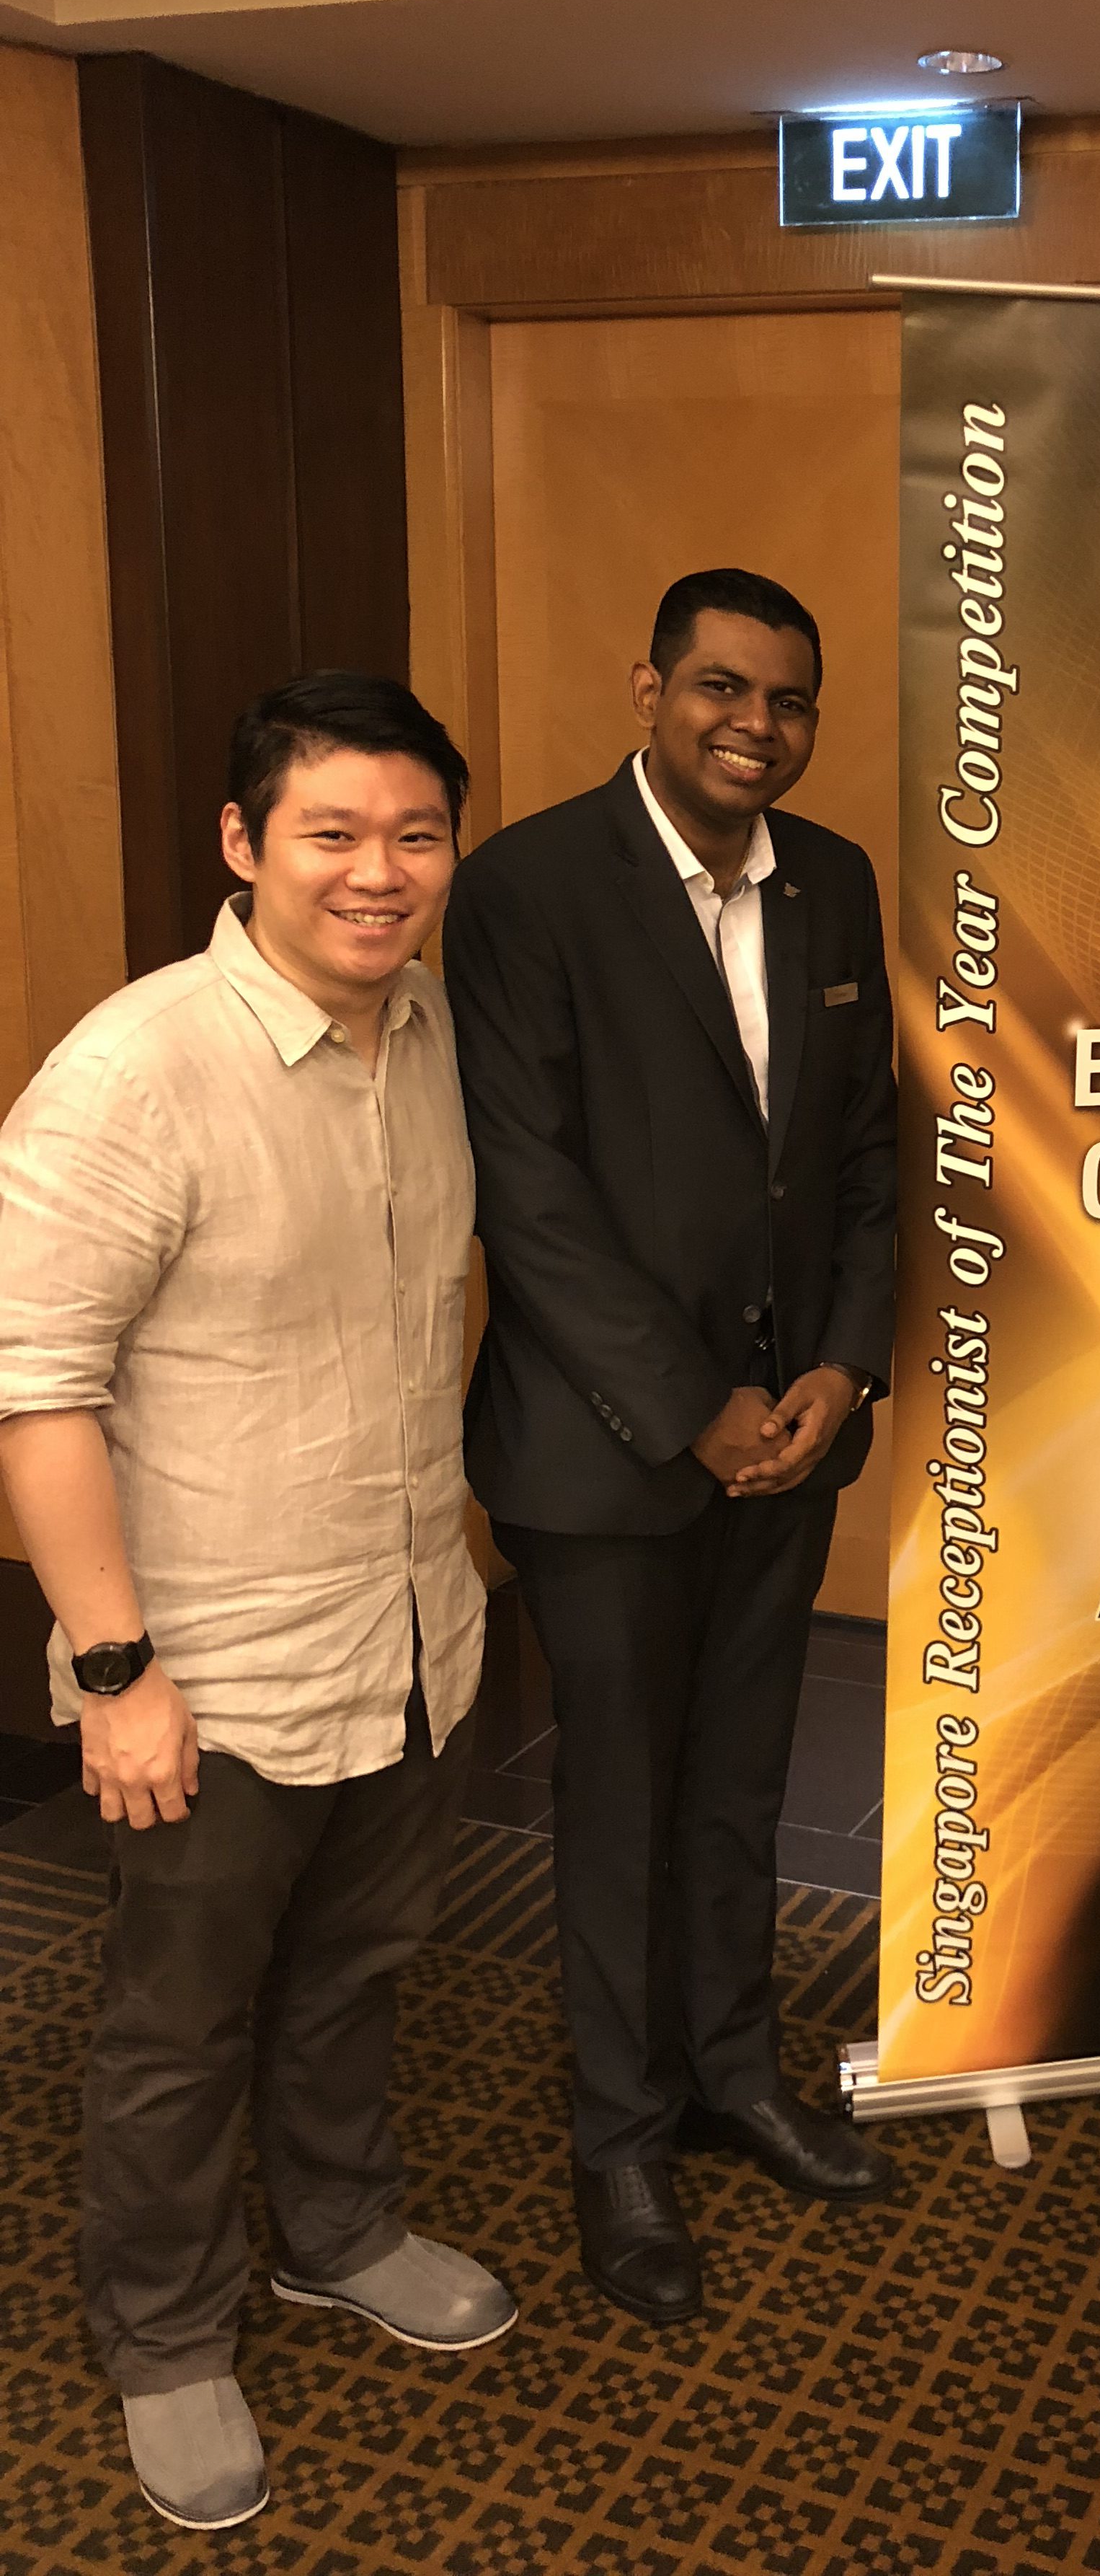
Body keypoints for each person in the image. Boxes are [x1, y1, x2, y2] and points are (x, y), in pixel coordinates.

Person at [0, 674, 513, 2532]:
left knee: (359, 1969)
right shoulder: (136, 1070)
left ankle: (340, 2230)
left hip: (407, 1631)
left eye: (417, 835)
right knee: (179, 2022)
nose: (380, 873)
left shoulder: (429, 1028)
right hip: (208, 1669)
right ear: (242, 843)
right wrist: (117, 1668)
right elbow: (36, 1391)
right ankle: (162, 2334)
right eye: (332, 833)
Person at [442, 565, 897, 2327]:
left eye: (787, 700)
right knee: (622, 1802)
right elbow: (529, 1193)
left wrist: (843, 1369)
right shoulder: (528, 888)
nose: (754, 726)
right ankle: (619, 2137)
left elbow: (865, 1154)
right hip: (608, 1451)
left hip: (791, 1438)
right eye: (721, 688)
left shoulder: (834, 882)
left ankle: (732, 2073)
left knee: (740, 1782)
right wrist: (692, 1408)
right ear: (650, 691)